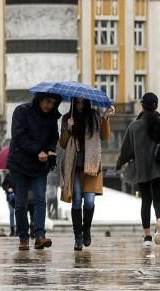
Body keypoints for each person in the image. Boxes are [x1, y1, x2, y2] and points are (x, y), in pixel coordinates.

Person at [116, 92, 160, 247]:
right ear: (156, 105)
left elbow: (126, 150)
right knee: (159, 201)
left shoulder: (134, 126)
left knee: (146, 202)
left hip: (143, 170)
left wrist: (119, 163)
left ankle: (147, 237)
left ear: (142, 105)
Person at [9, 92, 62, 250]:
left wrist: (51, 150)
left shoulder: (52, 117)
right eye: (47, 101)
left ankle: (40, 236)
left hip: (40, 166)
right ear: (39, 99)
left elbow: (54, 137)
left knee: (40, 199)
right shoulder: (21, 111)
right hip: (19, 163)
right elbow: (18, 136)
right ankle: (23, 238)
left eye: (53, 103)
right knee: (21, 204)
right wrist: (38, 150)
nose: (49, 105)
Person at [59, 97, 112, 250]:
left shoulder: (95, 116)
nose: (80, 105)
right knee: (76, 201)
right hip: (74, 166)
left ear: (87, 103)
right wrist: (68, 129)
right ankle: (78, 237)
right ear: (73, 103)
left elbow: (105, 136)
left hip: (91, 166)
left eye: (82, 102)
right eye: (77, 102)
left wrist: (106, 118)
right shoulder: (67, 118)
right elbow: (62, 143)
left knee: (89, 201)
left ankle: (86, 229)